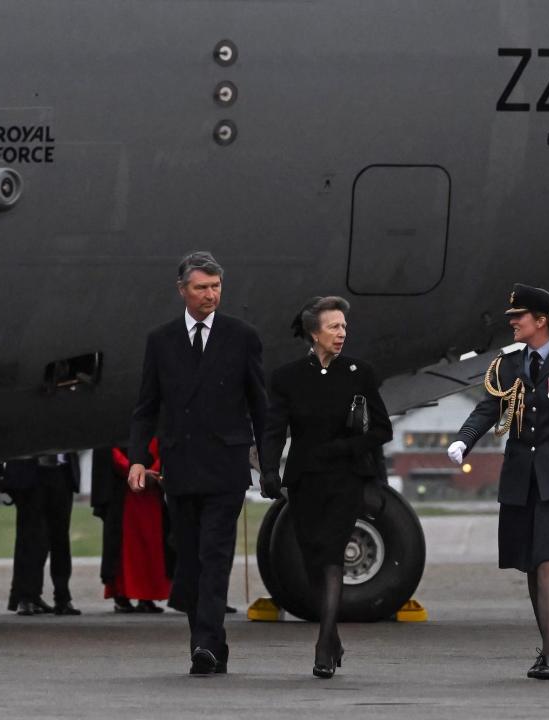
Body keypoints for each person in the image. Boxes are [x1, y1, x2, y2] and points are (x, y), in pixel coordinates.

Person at [446, 284, 549, 680]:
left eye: (518, 317)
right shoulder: (508, 365)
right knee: (533, 566)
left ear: (542, 321)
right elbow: (488, 409)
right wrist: (463, 441)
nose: (512, 323)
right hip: (521, 478)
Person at [127, 251, 267, 675]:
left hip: (225, 466)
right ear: (182, 291)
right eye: (202, 288)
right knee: (188, 558)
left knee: (214, 554)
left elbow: (260, 405)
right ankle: (209, 644)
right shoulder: (161, 340)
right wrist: (137, 459)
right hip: (180, 466)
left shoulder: (242, 336)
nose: (211, 295)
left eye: (216, 287)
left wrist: (270, 462)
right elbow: (146, 407)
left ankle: (204, 645)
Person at [259, 296, 392, 679]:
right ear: (313, 332)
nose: (342, 333)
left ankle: (322, 642)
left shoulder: (359, 373)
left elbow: (383, 429)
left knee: (333, 556)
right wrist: (269, 470)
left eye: (344, 327)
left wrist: (344, 448)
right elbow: (274, 429)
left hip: (345, 479)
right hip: (304, 481)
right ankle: (332, 637)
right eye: (334, 326)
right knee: (314, 560)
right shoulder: (287, 378)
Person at [0, 453, 82, 616]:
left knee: (60, 538)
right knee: (30, 538)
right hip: (30, 473)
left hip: (62, 472)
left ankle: (62, 597)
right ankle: (27, 597)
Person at [102, 440, 172, 613]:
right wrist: (134, 471)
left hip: (151, 495)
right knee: (126, 547)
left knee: (151, 546)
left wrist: (152, 471)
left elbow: (162, 445)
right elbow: (112, 450)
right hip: (126, 494)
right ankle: (122, 594)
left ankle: (146, 596)